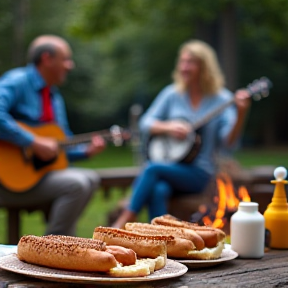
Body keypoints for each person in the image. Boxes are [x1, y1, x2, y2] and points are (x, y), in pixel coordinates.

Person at [112, 39, 251, 228]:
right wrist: (169, 127)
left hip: (200, 172)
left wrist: (241, 114)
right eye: (183, 62)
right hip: (169, 167)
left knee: (152, 168)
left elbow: (229, 143)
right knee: (158, 189)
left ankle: (126, 217)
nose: (184, 67)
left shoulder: (222, 99)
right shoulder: (172, 94)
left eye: (191, 62)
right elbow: (145, 123)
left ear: (205, 67)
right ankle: (161, 238)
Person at [0, 35, 106, 236]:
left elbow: (59, 145)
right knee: (77, 184)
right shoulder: (17, 81)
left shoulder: (54, 97)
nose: (70, 65)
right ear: (47, 59)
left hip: (35, 177)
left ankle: (60, 244)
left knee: (91, 178)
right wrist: (32, 141)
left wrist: (86, 152)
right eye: (66, 59)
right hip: (6, 180)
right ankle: (52, 245)